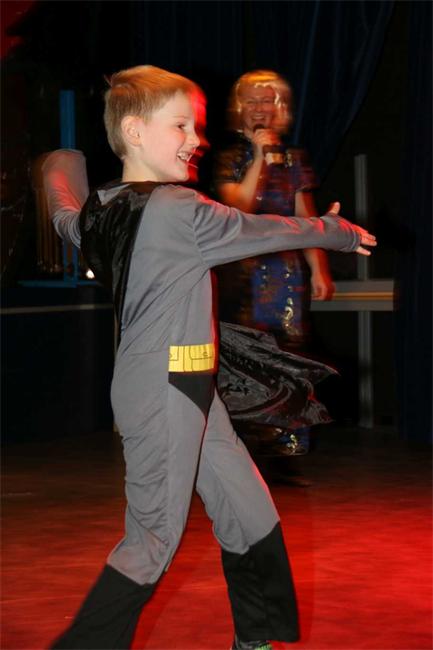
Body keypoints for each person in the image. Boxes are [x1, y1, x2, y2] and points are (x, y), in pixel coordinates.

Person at [42, 64, 375, 650]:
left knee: (248, 511)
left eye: (194, 126)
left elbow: (65, 215)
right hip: (165, 389)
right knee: (151, 540)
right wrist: (335, 231)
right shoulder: (177, 209)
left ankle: (255, 640)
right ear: (135, 132)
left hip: (187, 386)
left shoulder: (105, 207)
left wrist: (59, 165)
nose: (196, 140)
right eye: (181, 126)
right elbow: (264, 230)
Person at [214, 69, 334, 462]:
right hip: (242, 274)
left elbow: (306, 218)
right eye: (251, 101)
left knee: (289, 352)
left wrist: (319, 268)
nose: (259, 108)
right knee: (248, 354)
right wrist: (259, 159)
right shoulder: (229, 157)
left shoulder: (294, 159)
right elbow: (241, 207)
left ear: (279, 107)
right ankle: (249, 441)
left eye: (266, 101)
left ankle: (290, 442)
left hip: (285, 275)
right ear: (239, 108)